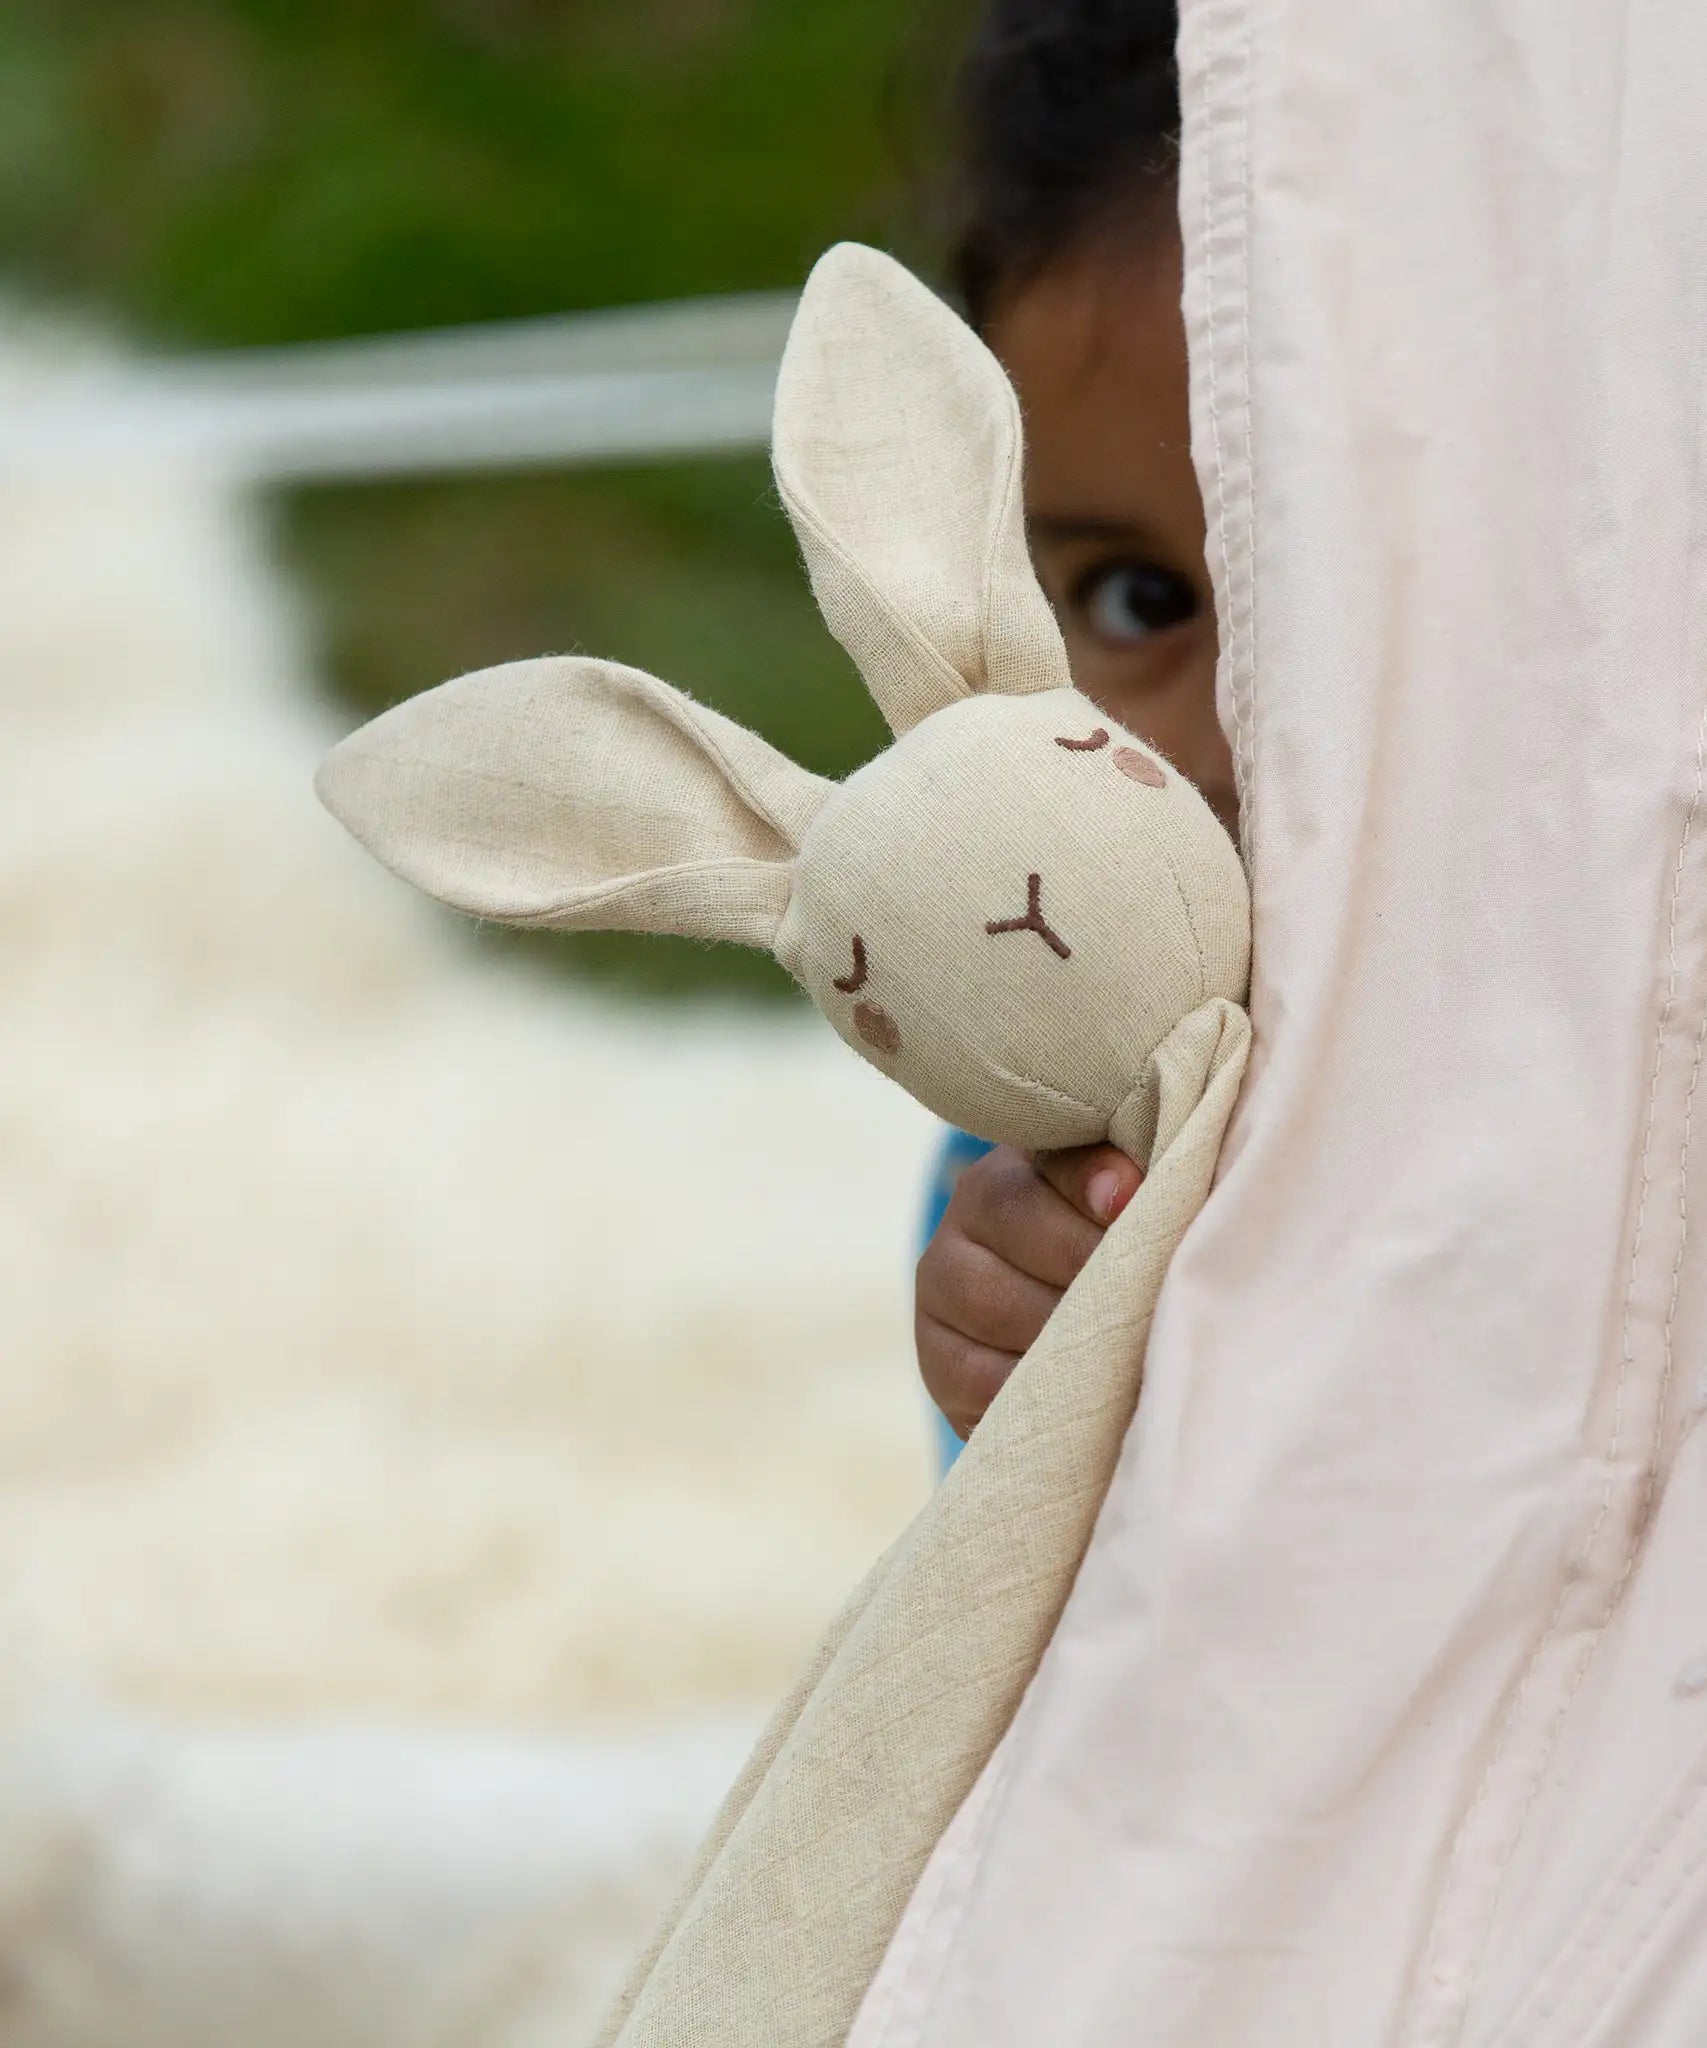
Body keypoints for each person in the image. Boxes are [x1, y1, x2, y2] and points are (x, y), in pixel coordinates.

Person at [915, 0, 1239, 1458]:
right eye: (1137, 596)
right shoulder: (1071, 1101)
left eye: (1344, 611)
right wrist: (1011, 1342)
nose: (1216, 746)